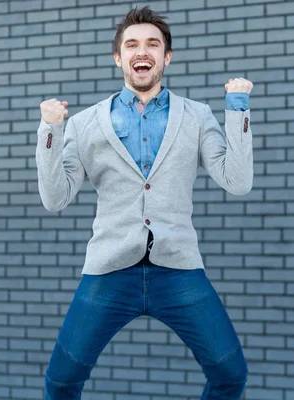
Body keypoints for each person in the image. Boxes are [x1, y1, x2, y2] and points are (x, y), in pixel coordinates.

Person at [35, 6, 254, 400]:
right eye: (132, 44)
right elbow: (56, 198)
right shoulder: (85, 123)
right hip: (110, 268)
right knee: (62, 380)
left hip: (178, 268)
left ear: (166, 57)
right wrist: (50, 131)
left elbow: (236, 181)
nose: (143, 51)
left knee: (230, 373)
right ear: (118, 57)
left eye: (153, 44)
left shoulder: (197, 115)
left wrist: (237, 108)